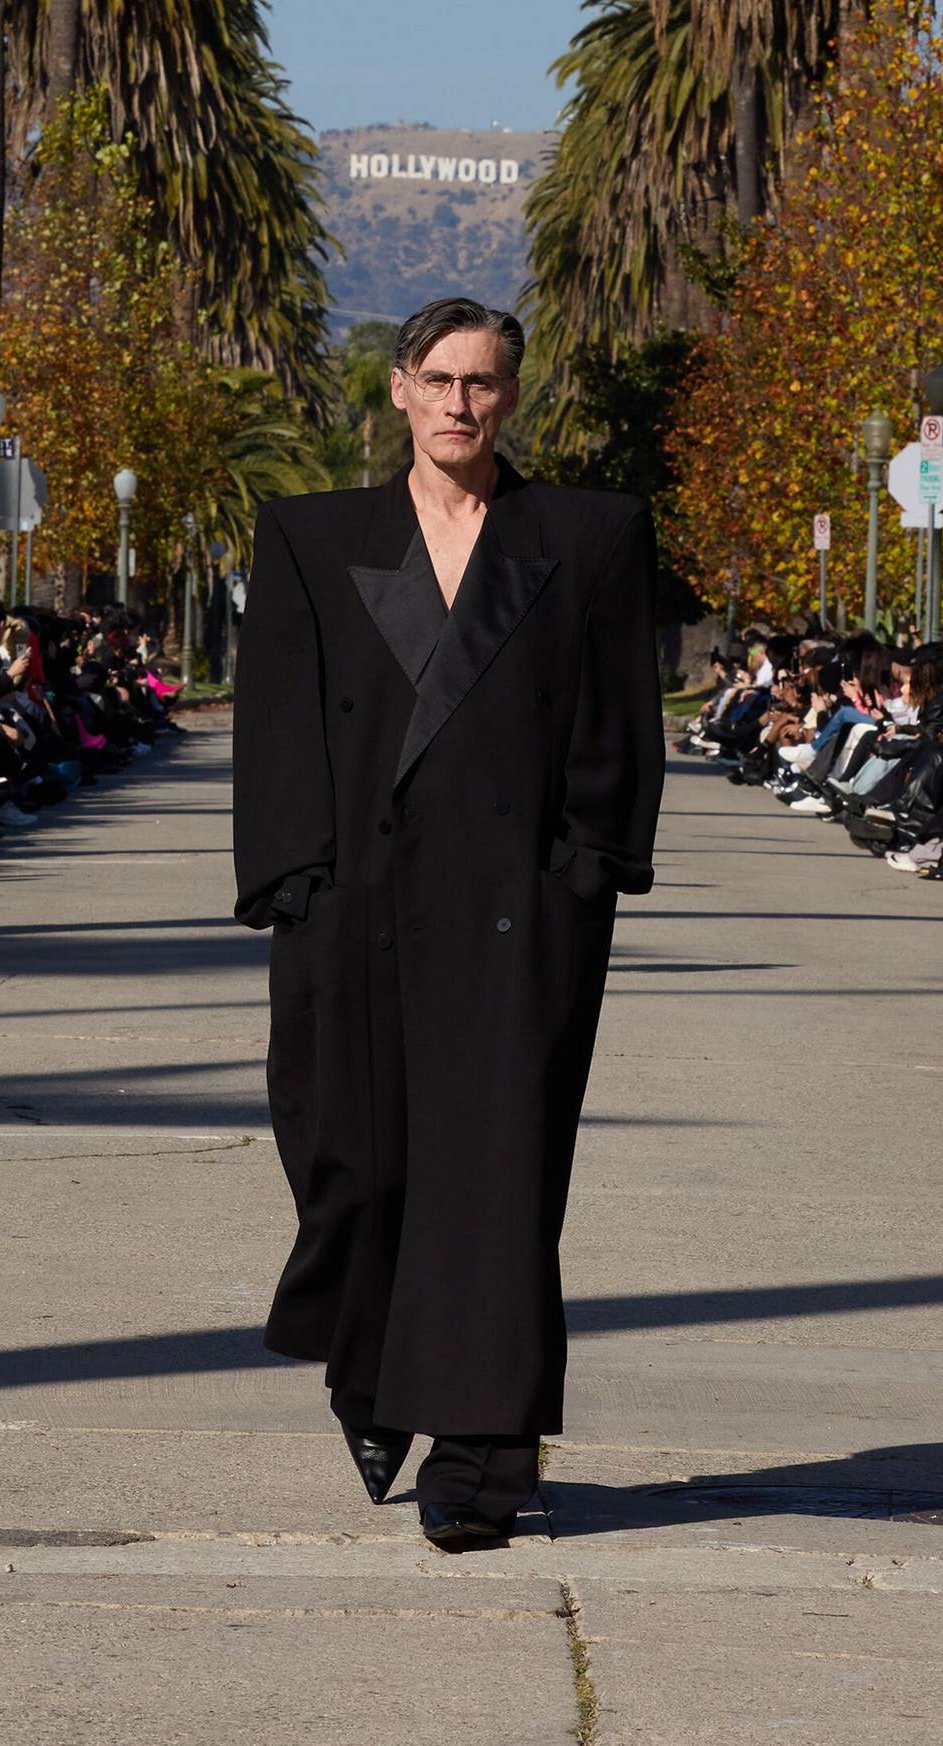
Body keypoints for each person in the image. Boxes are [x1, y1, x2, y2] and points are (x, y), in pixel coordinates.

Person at [232, 296, 665, 1549]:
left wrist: (584, 874)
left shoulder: (586, 537)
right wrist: (290, 882)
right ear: (399, 389)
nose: (461, 403)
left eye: (484, 382)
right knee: (355, 1168)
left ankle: (480, 1456)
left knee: (495, 1185)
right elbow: (277, 726)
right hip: (350, 913)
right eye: (440, 379)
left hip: (515, 922)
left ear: (511, 396)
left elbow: (617, 726)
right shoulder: (315, 538)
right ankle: (368, 1368)